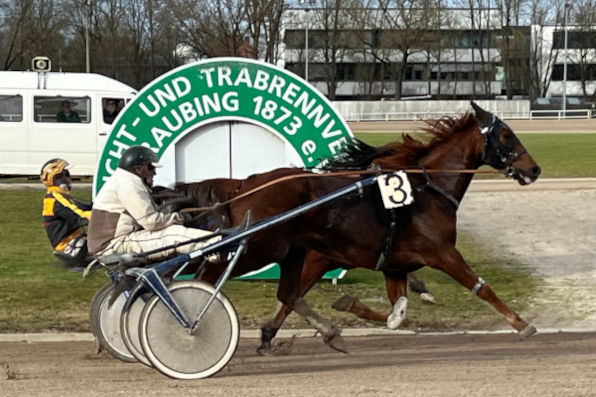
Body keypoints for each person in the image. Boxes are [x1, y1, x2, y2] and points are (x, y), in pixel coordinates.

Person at [87, 146, 220, 261]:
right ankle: (219, 244)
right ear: (137, 169)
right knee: (175, 235)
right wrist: (179, 218)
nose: (154, 172)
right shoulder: (128, 183)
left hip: (115, 240)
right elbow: (151, 223)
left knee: (172, 232)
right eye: (150, 168)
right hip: (113, 244)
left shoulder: (124, 179)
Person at [41, 159, 92, 270]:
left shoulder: (57, 197)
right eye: (66, 175)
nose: (69, 178)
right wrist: (105, 215)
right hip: (70, 248)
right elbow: (80, 216)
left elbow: (85, 207)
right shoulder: (56, 200)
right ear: (58, 178)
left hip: (73, 242)